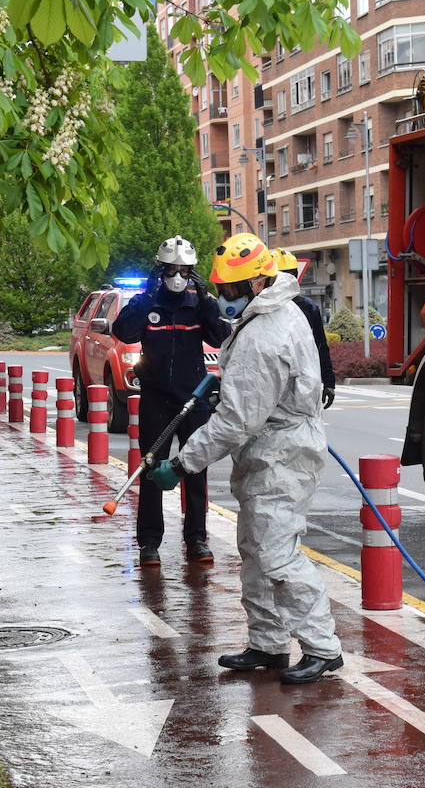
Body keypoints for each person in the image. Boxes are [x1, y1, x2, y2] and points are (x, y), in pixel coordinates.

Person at [145, 233, 343, 685]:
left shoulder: (266, 333)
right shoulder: (271, 316)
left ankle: (322, 647)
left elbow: (235, 422)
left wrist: (182, 464)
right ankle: (268, 644)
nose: (223, 297)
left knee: (277, 555)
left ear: (256, 283)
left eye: (230, 290)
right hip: (271, 449)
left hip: (281, 453)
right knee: (255, 551)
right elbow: (250, 400)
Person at [112, 235, 231, 568]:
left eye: (184, 271)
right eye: (170, 270)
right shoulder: (147, 301)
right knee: (150, 469)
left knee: (194, 469)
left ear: (192, 272)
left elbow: (220, 336)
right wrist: (145, 298)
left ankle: (196, 538)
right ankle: (149, 542)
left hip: (193, 399)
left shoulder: (199, 303)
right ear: (159, 270)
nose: (176, 277)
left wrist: (207, 299)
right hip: (156, 398)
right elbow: (125, 332)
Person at [271, 249, 336, 409]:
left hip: (298, 384)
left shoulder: (308, 308)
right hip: (278, 384)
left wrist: (329, 382)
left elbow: (320, 346)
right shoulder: (263, 307)